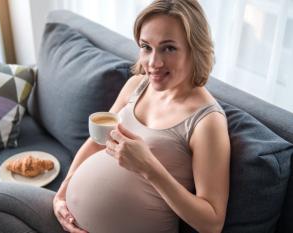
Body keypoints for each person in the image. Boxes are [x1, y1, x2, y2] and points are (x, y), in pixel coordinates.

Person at [53, 0, 230, 233]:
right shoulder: (136, 85)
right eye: (146, 47)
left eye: (169, 48)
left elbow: (212, 223)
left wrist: (148, 167)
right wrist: (62, 195)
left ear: (194, 49)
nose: (153, 63)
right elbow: (97, 142)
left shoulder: (207, 122)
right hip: (66, 220)